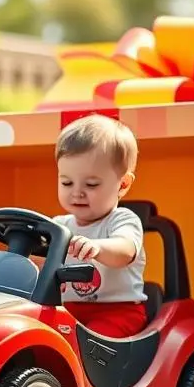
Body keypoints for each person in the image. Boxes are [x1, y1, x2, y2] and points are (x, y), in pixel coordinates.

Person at [51, 114, 148, 338]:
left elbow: (124, 250)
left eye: (91, 184)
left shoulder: (122, 220)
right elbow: (39, 261)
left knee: (90, 343)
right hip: (69, 310)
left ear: (122, 184)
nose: (77, 192)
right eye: (66, 182)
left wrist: (98, 247)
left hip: (118, 311)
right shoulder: (58, 226)